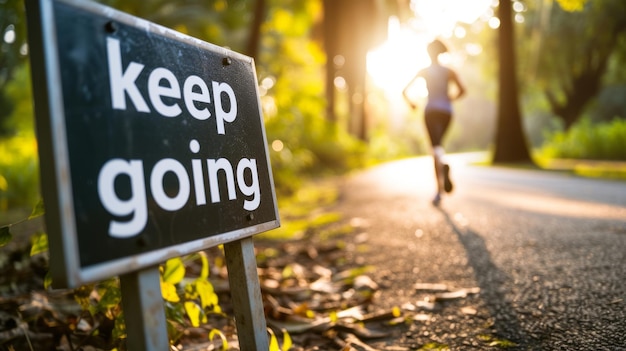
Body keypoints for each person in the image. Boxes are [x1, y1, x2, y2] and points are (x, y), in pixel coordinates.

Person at [402, 39, 465, 206]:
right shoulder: (449, 71)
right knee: (439, 145)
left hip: (431, 111)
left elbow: (404, 90)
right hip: (446, 112)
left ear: (429, 53)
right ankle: (442, 165)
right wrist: (450, 98)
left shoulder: (424, 71)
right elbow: (463, 90)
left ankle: (439, 191)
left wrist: (412, 104)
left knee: (435, 147)